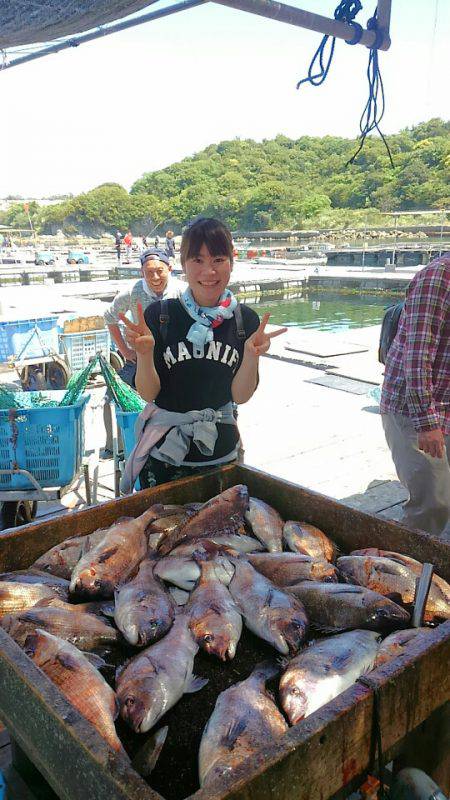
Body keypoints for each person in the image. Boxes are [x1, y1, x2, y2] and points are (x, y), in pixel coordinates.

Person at [119, 217, 286, 491]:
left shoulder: (245, 320)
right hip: (165, 455)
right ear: (183, 264)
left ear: (231, 262)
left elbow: (240, 396)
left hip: (222, 453)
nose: (209, 271)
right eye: (198, 260)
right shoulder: (161, 315)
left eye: (218, 259)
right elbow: (149, 394)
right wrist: (144, 354)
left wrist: (251, 355)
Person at [380, 254, 450, 537]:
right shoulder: (440, 276)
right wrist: (426, 423)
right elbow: (417, 356)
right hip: (415, 411)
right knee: (430, 506)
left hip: (444, 404)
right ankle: (407, 562)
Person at [103, 248, 183, 453]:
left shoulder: (182, 292)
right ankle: (117, 447)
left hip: (173, 359)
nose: (155, 277)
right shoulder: (132, 293)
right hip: (140, 358)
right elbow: (109, 317)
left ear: (170, 269)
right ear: (142, 273)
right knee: (111, 397)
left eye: (160, 271)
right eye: (149, 273)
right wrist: (125, 351)